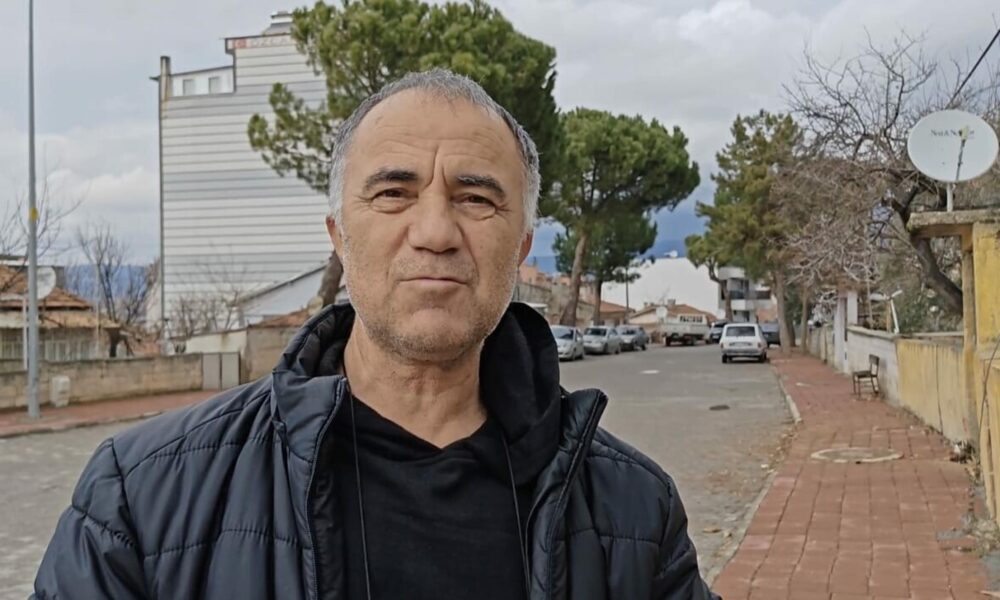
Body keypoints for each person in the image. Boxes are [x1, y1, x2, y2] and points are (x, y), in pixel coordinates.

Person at [34, 69, 718, 600]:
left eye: (476, 198)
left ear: (521, 248)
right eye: (394, 193)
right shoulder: (144, 496)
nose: (435, 232)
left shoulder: (635, 510)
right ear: (339, 236)